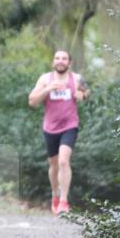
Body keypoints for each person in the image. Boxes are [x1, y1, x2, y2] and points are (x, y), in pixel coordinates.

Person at [27, 50, 89, 215]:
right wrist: (48, 89)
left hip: (70, 125)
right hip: (50, 128)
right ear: (53, 62)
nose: (60, 61)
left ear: (70, 63)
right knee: (53, 165)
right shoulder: (45, 79)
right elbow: (32, 101)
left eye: (64, 58)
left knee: (63, 161)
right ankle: (55, 195)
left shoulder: (76, 78)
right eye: (57, 58)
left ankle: (63, 201)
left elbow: (86, 92)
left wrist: (82, 95)